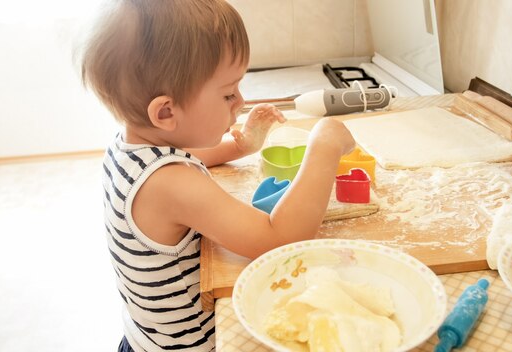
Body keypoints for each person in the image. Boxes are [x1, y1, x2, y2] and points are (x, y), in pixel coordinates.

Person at [78, 0, 356, 351]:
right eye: (227, 93)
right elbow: (280, 239)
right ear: (165, 111)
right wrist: (324, 146)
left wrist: (239, 147)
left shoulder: (131, 147)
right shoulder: (171, 184)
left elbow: (190, 155)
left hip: (142, 337)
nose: (240, 101)